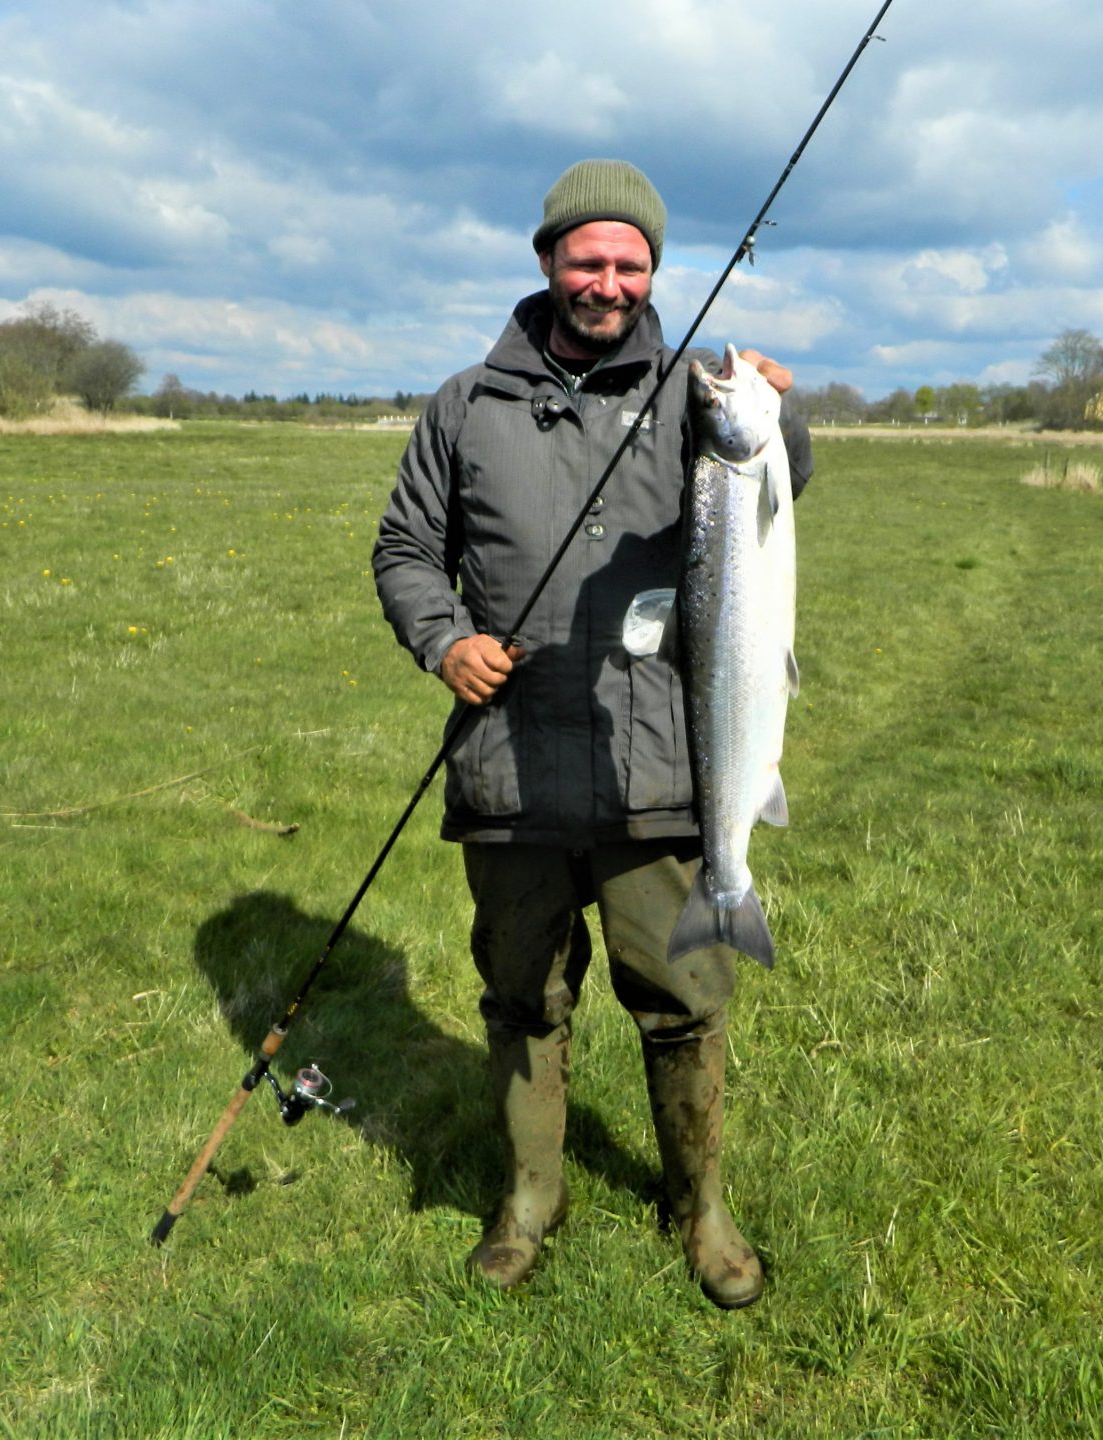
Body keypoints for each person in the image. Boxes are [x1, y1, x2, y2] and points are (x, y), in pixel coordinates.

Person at [373, 159, 813, 1309]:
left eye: (628, 262)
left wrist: (778, 411)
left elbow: (776, 482)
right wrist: (442, 640)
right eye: (586, 258)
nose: (607, 281)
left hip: (664, 769)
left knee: (684, 998)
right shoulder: (466, 406)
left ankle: (702, 1206)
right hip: (507, 770)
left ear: (654, 271)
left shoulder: (699, 398)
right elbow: (405, 551)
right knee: (523, 998)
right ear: (547, 261)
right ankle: (529, 1200)